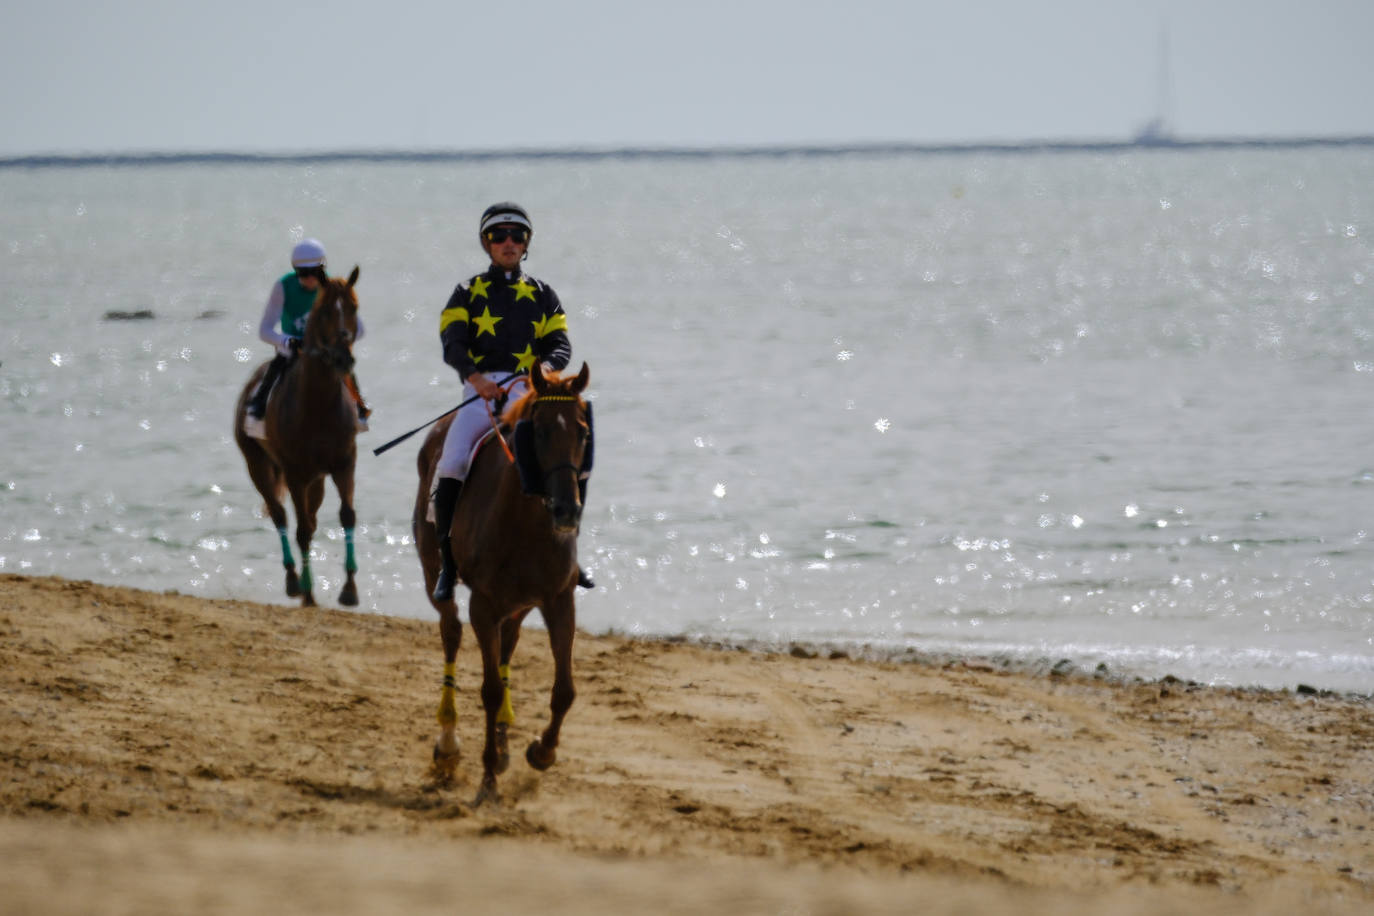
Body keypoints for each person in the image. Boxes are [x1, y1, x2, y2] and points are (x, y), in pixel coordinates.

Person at [431, 202, 592, 601]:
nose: (508, 243)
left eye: (516, 236)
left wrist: (540, 371)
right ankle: (449, 565)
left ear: (526, 244)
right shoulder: (465, 293)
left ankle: (570, 552)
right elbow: (452, 344)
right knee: (451, 461)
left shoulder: (543, 294)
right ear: (486, 243)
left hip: (530, 389)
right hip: (480, 390)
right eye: (498, 236)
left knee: (574, 445)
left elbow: (560, 344)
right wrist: (476, 378)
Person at [244, 238, 370, 437]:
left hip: (325, 351)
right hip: (291, 349)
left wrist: (339, 342)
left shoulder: (333, 288)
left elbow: (360, 330)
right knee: (277, 366)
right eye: (303, 273)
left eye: (316, 273)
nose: (311, 279)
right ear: (295, 270)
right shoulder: (283, 286)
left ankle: (359, 408)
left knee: (344, 366)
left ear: (323, 269)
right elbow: (264, 330)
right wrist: (286, 341)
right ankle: (257, 409)